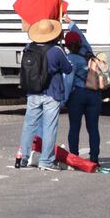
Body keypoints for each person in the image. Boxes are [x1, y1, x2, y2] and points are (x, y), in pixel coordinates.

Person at [17, 19, 73, 171]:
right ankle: (46, 161)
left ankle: (23, 157)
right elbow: (68, 69)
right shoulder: (56, 51)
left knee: (29, 125)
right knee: (49, 127)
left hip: (33, 91)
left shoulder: (28, 48)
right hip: (52, 93)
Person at [63, 29, 101, 166]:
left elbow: (68, 82)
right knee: (93, 128)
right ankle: (94, 159)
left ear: (67, 45)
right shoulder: (88, 53)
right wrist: (72, 23)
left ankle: (74, 157)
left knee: (74, 127)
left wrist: (64, 99)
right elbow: (83, 38)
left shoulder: (70, 59)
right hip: (94, 94)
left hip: (77, 95)